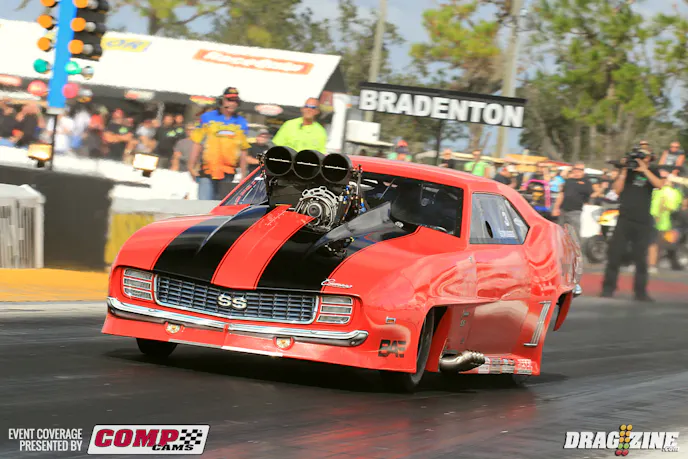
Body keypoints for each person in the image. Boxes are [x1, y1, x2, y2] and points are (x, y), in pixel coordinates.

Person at [601, 149, 666, 301]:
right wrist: (624, 170)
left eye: (644, 156)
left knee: (640, 258)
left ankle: (640, 292)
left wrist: (644, 170)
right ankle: (608, 288)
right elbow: (616, 190)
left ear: (649, 158)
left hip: (643, 220)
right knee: (614, 254)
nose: (640, 159)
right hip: (624, 219)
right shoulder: (628, 171)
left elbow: (660, 184)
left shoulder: (653, 170)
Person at [187, 86, 249, 201]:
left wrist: (243, 174)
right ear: (222, 101)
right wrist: (191, 166)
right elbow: (197, 143)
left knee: (220, 207)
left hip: (228, 172)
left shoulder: (242, 122)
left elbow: (243, 150)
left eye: (235, 101)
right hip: (207, 169)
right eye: (229, 100)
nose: (232, 103)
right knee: (204, 205)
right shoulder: (207, 117)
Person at [551, 162, 593, 240]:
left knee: (575, 234)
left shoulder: (587, 182)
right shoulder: (568, 181)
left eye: (580, 169)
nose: (577, 171)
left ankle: (576, 247)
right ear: (573, 170)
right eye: (576, 169)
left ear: (583, 171)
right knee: (559, 233)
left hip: (576, 211)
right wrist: (556, 208)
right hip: (563, 210)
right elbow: (561, 194)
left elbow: (589, 197)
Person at [648, 180, 683, 273]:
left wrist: (659, 213)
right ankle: (653, 264)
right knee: (657, 244)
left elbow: (669, 206)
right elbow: (674, 207)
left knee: (654, 244)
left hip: (659, 221)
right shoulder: (673, 192)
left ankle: (652, 264)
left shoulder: (665, 191)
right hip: (662, 222)